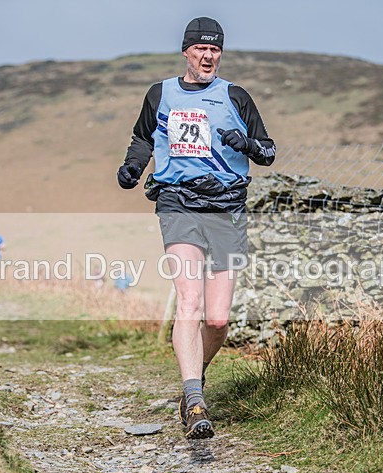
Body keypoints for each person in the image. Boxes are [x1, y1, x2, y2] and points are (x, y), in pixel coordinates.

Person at [117, 17, 275, 439]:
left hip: (226, 207)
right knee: (188, 302)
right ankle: (193, 401)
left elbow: (268, 151)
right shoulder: (161, 93)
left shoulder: (235, 97)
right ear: (186, 51)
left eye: (216, 50)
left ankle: (195, 376)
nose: (209, 56)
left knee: (219, 320)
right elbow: (143, 137)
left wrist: (247, 145)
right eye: (201, 49)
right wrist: (134, 166)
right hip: (178, 202)